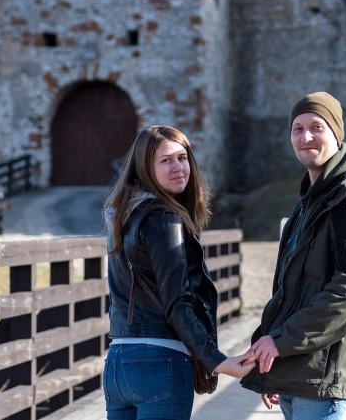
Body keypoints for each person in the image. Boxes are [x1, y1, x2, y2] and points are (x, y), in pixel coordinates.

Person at [240, 92, 346, 420]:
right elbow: (288, 294)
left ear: (337, 136)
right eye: (297, 129)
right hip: (297, 371)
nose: (305, 136)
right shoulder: (305, 207)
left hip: (325, 377)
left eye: (317, 127)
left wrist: (281, 342)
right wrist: (276, 364)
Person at [103, 125, 255, 419]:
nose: (178, 168)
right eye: (165, 160)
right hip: (161, 363)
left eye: (182, 158)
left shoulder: (122, 216)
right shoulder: (163, 218)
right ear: (145, 168)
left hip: (118, 362)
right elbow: (177, 303)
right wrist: (218, 361)